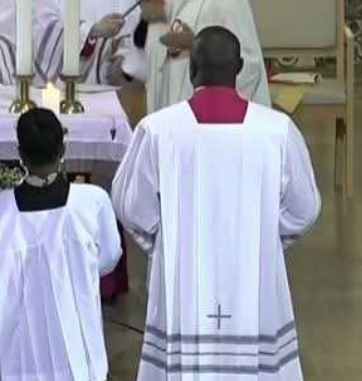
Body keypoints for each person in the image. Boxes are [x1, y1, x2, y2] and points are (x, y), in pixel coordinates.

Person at [112, 27, 321, 381]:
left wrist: (166, 241)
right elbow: (305, 208)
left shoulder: (158, 130)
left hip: (183, 276)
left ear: (192, 69)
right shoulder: (277, 131)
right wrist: (263, 236)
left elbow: (129, 204)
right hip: (254, 279)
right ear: (238, 68)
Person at [0, 108, 121, 381]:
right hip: (77, 354)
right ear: (62, 149)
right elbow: (108, 258)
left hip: (17, 358)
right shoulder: (92, 201)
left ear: (21, 154)